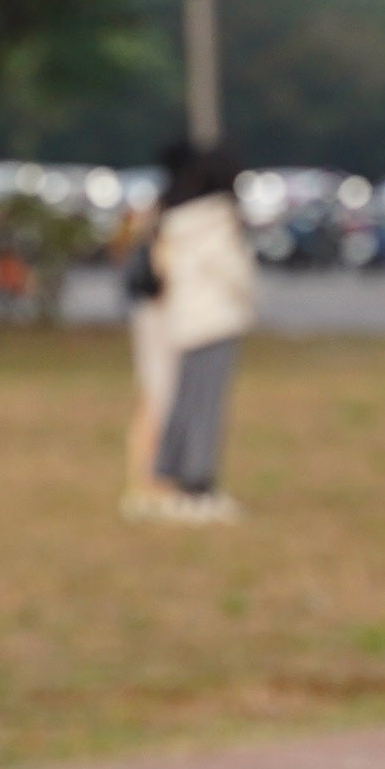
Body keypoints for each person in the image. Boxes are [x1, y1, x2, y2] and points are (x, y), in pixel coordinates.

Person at [147, 141, 256, 523]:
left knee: (184, 403)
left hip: (184, 322)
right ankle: (198, 484)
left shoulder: (176, 221)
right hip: (216, 322)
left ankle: (173, 475)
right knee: (207, 407)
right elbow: (235, 274)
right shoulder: (217, 222)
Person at [113, 189, 179, 519]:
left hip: (152, 324)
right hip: (159, 327)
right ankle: (146, 481)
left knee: (152, 403)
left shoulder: (148, 233)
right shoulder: (163, 242)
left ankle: (148, 480)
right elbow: (164, 280)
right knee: (156, 404)